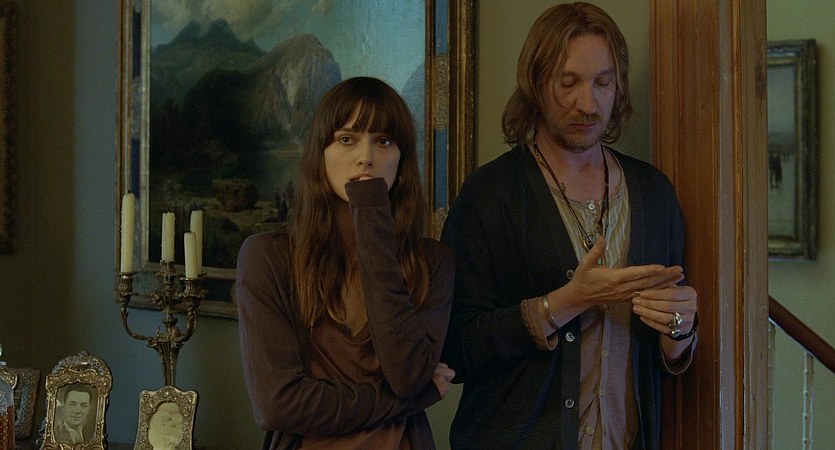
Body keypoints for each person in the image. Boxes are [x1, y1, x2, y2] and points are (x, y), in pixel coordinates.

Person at [440, 3, 699, 449]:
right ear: (536, 84)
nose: (587, 103)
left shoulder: (654, 194)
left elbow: (668, 356)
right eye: (568, 83)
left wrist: (679, 326)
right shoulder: (490, 194)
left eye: (603, 83)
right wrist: (564, 303)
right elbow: (455, 348)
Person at [237, 76, 456, 450]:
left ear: (402, 158)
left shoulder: (433, 262)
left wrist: (371, 219)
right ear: (320, 153)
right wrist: (410, 401)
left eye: (383, 141)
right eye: (347, 139)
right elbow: (278, 405)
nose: (366, 157)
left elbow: (406, 377)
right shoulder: (267, 257)